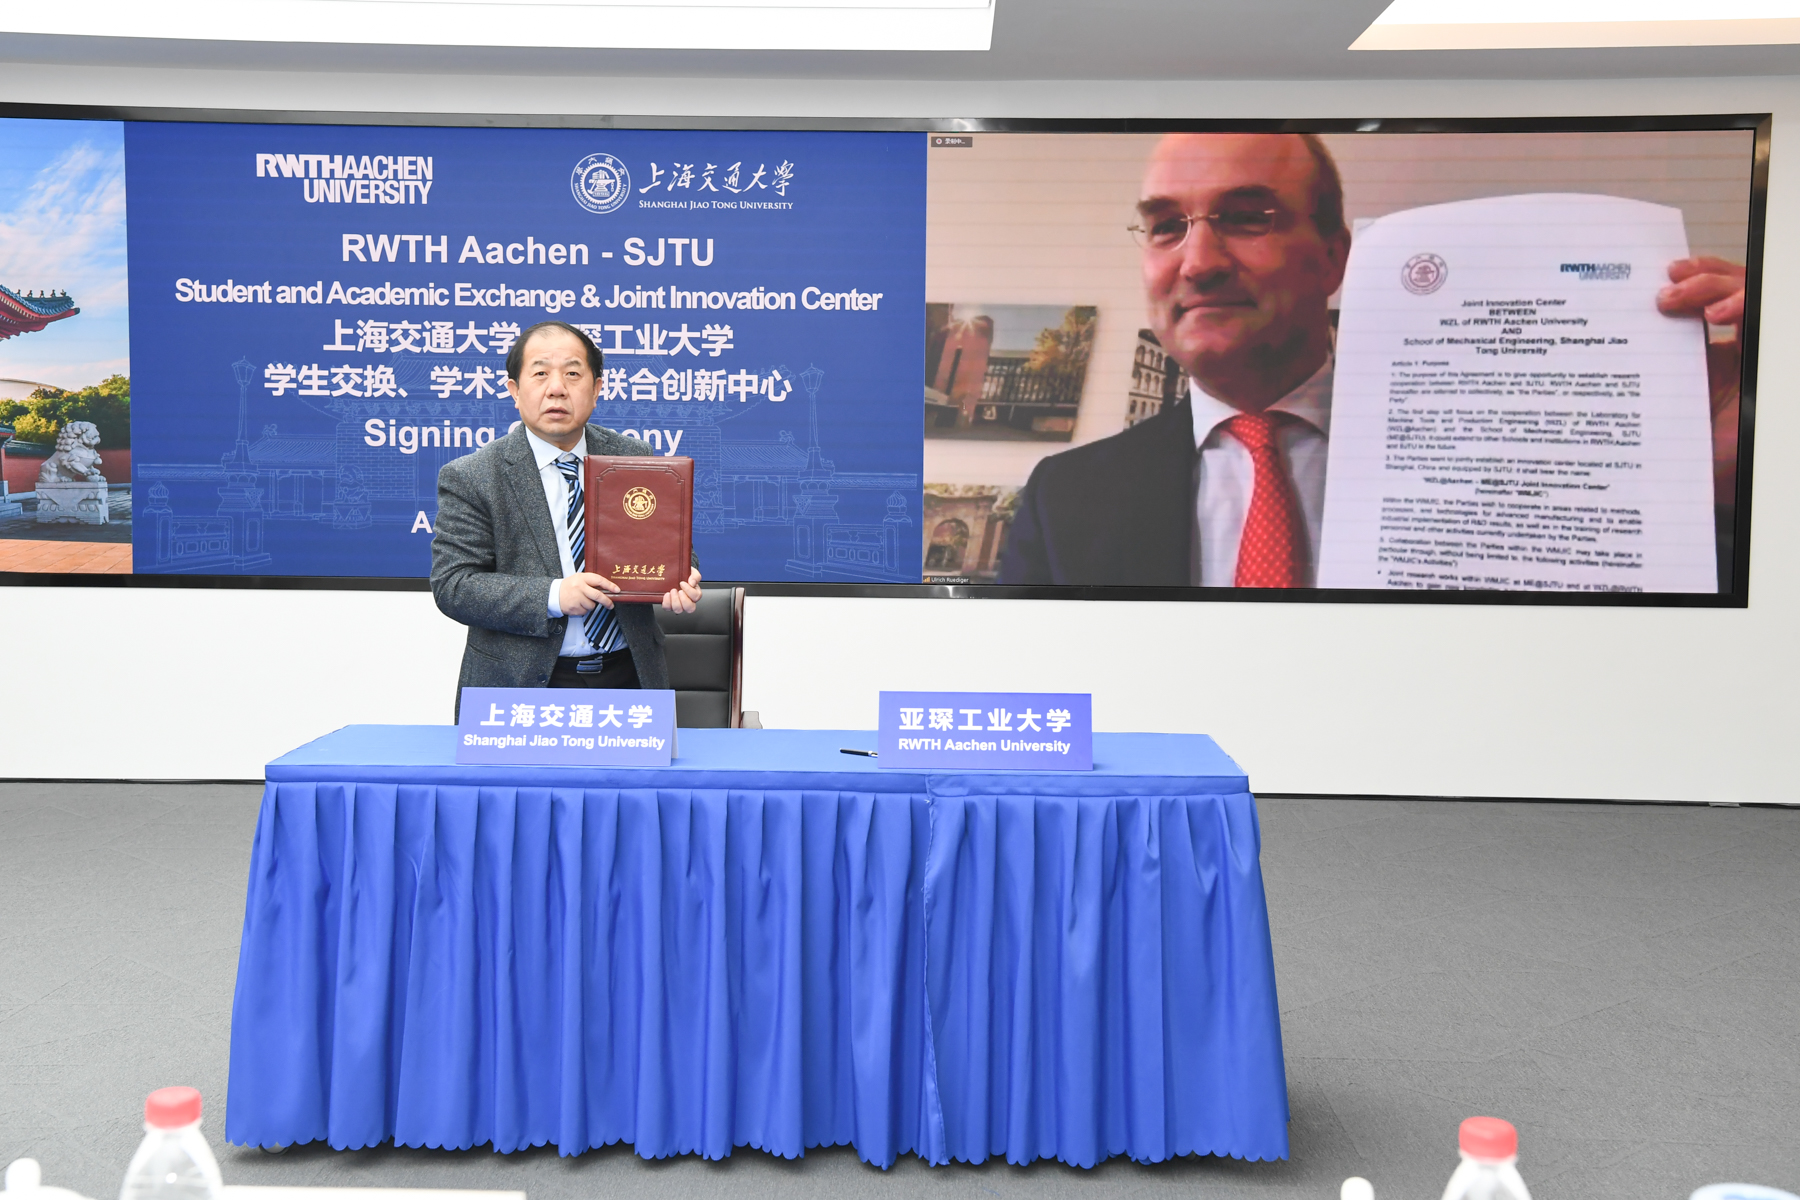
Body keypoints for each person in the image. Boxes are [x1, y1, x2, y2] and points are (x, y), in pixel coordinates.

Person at [998, 132, 1748, 589]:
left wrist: (1731, 482)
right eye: (1166, 226)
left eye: (1247, 217)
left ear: (1335, 258)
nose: (1198, 261)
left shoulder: (1519, 452)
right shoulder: (1067, 495)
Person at [430, 320, 702, 716]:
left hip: (629, 677)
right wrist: (555, 596)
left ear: (597, 389)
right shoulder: (473, 476)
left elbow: (668, 546)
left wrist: (681, 576)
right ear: (514, 391)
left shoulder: (633, 457)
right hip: (519, 686)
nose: (556, 388)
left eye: (573, 374)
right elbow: (454, 586)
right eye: (540, 373)